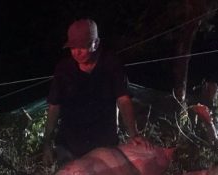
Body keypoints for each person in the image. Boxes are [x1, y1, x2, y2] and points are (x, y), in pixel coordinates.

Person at [42, 19, 146, 167]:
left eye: (83, 47)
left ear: (96, 43)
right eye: (73, 47)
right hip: (69, 145)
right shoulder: (64, 69)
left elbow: (123, 99)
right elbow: (54, 106)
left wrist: (133, 134)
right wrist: (47, 142)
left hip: (104, 145)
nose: (77, 52)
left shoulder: (111, 63)